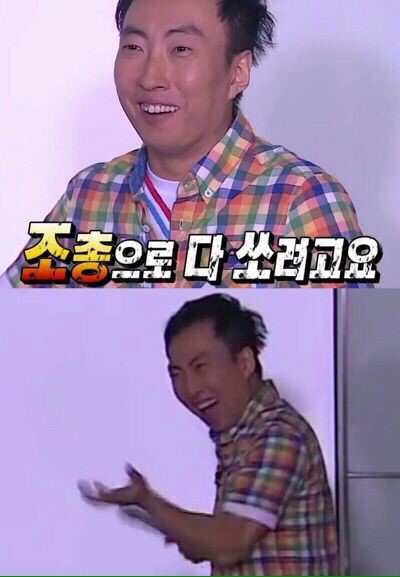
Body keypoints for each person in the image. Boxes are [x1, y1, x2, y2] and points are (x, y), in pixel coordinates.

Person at [2, 0, 364, 289]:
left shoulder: (301, 198)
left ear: (237, 72)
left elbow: (343, 350)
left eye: (180, 48)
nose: (150, 78)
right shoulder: (88, 195)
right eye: (134, 47)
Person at [79, 294, 338, 575]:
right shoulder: (241, 437)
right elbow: (214, 543)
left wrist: (148, 500)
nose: (190, 389)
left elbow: (228, 544)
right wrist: (171, 525)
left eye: (200, 367)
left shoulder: (277, 436)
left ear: (245, 362)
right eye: (177, 374)